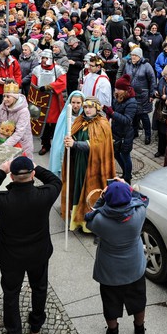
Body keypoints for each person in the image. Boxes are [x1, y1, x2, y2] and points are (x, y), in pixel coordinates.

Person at [0, 156, 62, 334]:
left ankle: (14, 333)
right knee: (39, 288)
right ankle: (36, 326)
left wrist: (1, 170)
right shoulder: (45, 195)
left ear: (12, 177)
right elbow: (55, 181)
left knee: (11, 294)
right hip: (39, 254)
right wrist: (37, 167)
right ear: (33, 175)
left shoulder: (3, 201)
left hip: (11, 257)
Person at [85, 180, 149, 334]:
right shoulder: (139, 213)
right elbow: (143, 199)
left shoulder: (100, 221)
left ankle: (113, 332)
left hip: (109, 271)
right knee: (138, 300)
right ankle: (139, 330)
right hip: (134, 267)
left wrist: (103, 197)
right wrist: (127, 186)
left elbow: (90, 216)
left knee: (110, 302)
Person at [61, 96, 115, 232]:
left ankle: (90, 225)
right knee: (79, 189)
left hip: (95, 165)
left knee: (92, 192)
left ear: (97, 108)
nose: (87, 109)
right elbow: (74, 135)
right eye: (85, 107)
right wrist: (70, 139)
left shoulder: (103, 124)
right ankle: (79, 220)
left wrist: (75, 144)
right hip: (80, 162)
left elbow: (97, 146)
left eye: (90, 107)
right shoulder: (80, 120)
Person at [31, 49, 67, 155]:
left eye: (46, 58)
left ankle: (57, 146)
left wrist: (49, 86)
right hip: (41, 100)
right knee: (44, 124)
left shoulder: (59, 69)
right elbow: (33, 85)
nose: (44, 60)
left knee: (56, 124)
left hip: (54, 101)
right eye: (42, 58)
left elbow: (62, 83)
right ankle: (45, 145)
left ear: (50, 59)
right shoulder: (37, 70)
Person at [104, 76, 138, 183]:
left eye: (118, 89)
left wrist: (112, 113)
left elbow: (127, 120)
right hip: (116, 132)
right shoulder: (118, 97)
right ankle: (124, 172)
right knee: (115, 153)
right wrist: (107, 110)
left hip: (125, 135)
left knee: (125, 155)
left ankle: (127, 177)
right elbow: (113, 110)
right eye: (115, 89)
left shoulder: (132, 102)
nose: (116, 91)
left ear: (124, 90)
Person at [0, 82, 34, 156]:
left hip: (21, 144)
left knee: (20, 166)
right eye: (4, 96)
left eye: (8, 97)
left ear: (15, 97)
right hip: (3, 142)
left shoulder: (23, 111)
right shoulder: (2, 106)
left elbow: (19, 133)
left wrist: (4, 146)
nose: (4, 99)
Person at [49, 90, 85, 177]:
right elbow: (58, 134)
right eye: (73, 102)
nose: (75, 106)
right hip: (64, 145)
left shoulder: (84, 117)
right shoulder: (64, 115)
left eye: (78, 103)